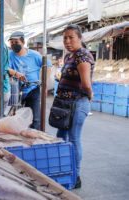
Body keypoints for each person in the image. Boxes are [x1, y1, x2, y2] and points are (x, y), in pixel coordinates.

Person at [54, 24, 94, 189]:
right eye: (65, 37)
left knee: (74, 138)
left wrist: (89, 96)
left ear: (80, 38)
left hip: (77, 103)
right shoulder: (71, 55)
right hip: (66, 104)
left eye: (71, 37)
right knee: (61, 136)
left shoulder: (82, 56)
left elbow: (86, 83)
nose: (67, 41)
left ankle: (75, 175)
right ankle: (63, 169)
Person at [8, 31, 51, 130]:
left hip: (33, 89)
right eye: (12, 43)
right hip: (16, 90)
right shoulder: (9, 55)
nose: (14, 45)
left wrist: (45, 85)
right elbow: (5, 68)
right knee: (17, 118)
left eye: (16, 42)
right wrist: (16, 73)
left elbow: (47, 66)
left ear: (23, 43)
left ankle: (34, 140)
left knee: (35, 119)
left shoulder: (34, 55)